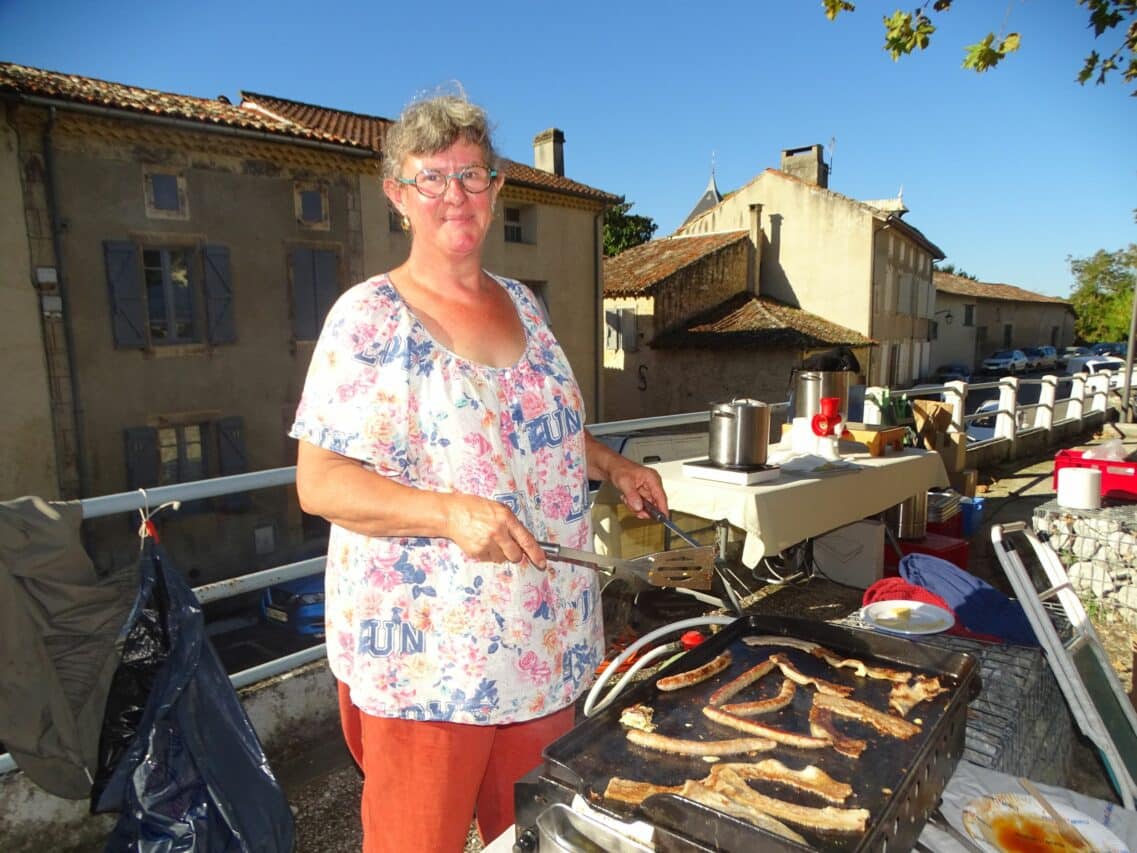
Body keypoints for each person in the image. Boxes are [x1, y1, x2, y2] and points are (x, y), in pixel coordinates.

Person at [290, 90, 669, 852]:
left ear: (497, 190)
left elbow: (540, 429)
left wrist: (610, 464)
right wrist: (446, 511)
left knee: (539, 835)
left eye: (472, 175)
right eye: (431, 178)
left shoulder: (526, 305)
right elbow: (320, 483)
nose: (454, 194)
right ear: (398, 196)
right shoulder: (367, 317)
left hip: (544, 638)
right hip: (432, 655)